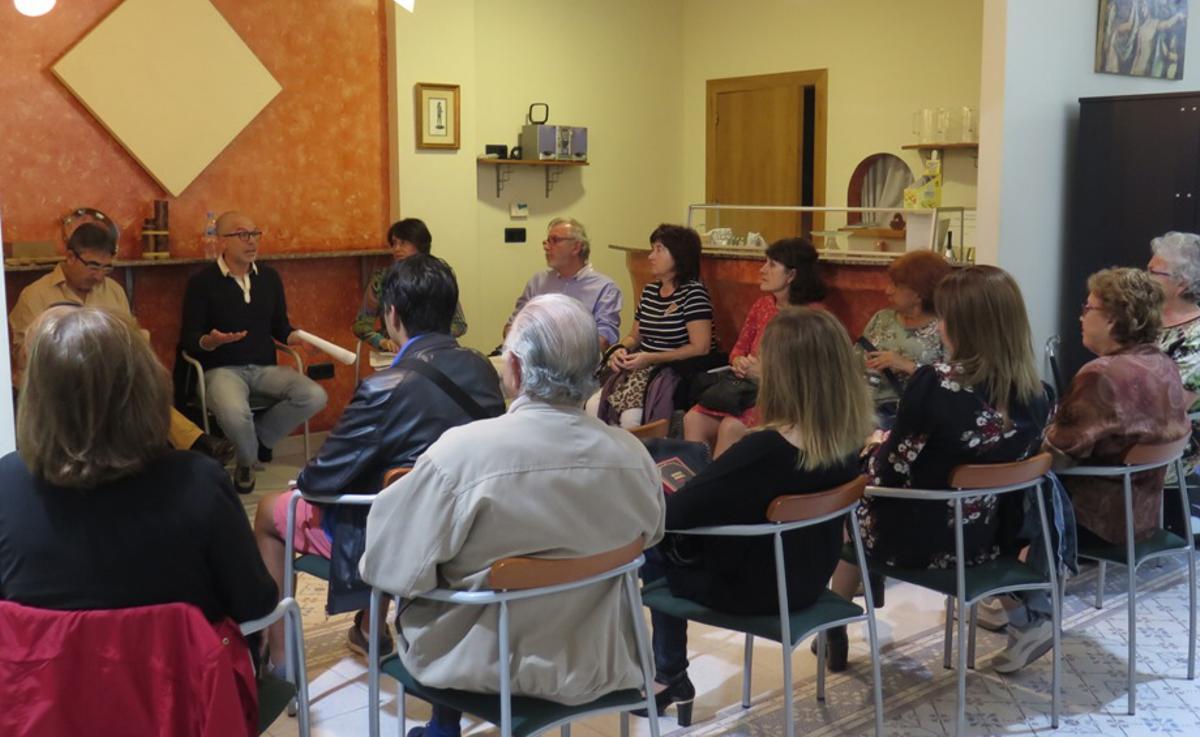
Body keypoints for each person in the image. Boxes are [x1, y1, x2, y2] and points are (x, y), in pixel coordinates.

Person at [360, 294, 665, 737]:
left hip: (479, 664)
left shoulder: (461, 454)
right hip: (598, 660)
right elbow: (650, 536)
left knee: (437, 569)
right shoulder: (632, 456)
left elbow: (388, 564)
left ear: (517, 368)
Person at [253, 254, 504, 669]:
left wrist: (303, 480)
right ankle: (369, 626)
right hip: (469, 528)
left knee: (269, 512)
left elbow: (323, 479)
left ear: (391, 315)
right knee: (395, 485)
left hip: (398, 539)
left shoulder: (384, 386)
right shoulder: (482, 369)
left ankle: (282, 661)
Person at [640, 307, 874, 724]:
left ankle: (668, 674)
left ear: (785, 373)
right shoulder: (845, 441)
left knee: (654, 537)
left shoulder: (764, 450)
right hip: (806, 579)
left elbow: (675, 514)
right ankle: (667, 675)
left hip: (752, 589)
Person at [827, 265, 1051, 670]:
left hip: (920, 540)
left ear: (961, 327)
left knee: (853, 502)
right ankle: (1023, 618)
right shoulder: (1039, 394)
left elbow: (891, 471)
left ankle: (835, 623)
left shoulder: (935, 383)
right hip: (991, 536)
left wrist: (868, 454)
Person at [0, 305, 276, 625]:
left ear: (34, 397)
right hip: (182, 673)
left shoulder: (8, 484)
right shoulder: (199, 481)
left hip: (49, 675)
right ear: (148, 385)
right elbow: (255, 604)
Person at [8, 223, 234, 464]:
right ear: (70, 256)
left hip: (107, 379)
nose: (98, 275)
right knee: (118, 397)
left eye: (106, 267)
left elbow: (131, 339)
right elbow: (24, 356)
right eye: (93, 265)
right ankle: (195, 444)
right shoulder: (36, 295)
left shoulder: (113, 290)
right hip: (59, 382)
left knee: (143, 388)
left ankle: (180, 453)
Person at [179, 211, 328, 493]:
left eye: (255, 233)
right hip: (221, 371)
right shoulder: (202, 283)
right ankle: (246, 463)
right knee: (235, 413)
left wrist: (296, 338)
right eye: (242, 234)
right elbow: (189, 339)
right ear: (222, 240)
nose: (252, 242)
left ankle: (259, 439)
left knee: (314, 395)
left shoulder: (269, 278)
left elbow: (280, 327)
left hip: (264, 369)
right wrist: (211, 341)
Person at [1046, 268, 1189, 544]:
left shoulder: (1101, 374)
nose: (1081, 316)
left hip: (1097, 520)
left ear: (1111, 320)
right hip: (1145, 514)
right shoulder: (1163, 363)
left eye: (1088, 308)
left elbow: (1056, 455)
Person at [682, 237, 826, 457]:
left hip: (784, 399)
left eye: (771, 265)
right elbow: (738, 349)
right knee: (693, 419)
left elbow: (814, 375)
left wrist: (765, 373)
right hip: (744, 390)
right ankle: (692, 484)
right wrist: (739, 361)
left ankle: (720, 489)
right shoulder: (762, 305)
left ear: (792, 275)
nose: (762, 270)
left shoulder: (813, 318)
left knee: (731, 427)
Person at [591, 224, 716, 428]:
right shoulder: (649, 291)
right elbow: (635, 336)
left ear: (679, 255)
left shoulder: (693, 293)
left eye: (659, 249)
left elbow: (700, 347)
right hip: (641, 364)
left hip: (670, 369)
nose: (651, 256)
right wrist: (620, 349)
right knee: (593, 406)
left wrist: (651, 358)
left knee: (631, 418)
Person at [859, 250, 952, 420]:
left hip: (914, 416)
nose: (888, 291)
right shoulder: (882, 318)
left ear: (919, 294)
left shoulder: (944, 328)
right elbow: (853, 362)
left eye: (896, 285)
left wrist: (908, 366)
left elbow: (954, 384)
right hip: (866, 411)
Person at [504, 217, 623, 350]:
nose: (546, 247)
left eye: (554, 240)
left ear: (576, 247)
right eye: (546, 241)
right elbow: (512, 326)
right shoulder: (538, 282)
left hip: (578, 366)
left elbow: (603, 340)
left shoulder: (604, 288)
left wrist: (555, 354)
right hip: (531, 361)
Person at [352, 218, 468, 353]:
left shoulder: (438, 277)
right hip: (397, 353)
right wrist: (382, 342)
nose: (397, 249)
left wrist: (429, 340)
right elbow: (361, 325)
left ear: (420, 245)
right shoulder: (382, 279)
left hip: (435, 351)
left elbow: (459, 325)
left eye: (403, 243)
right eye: (394, 243)